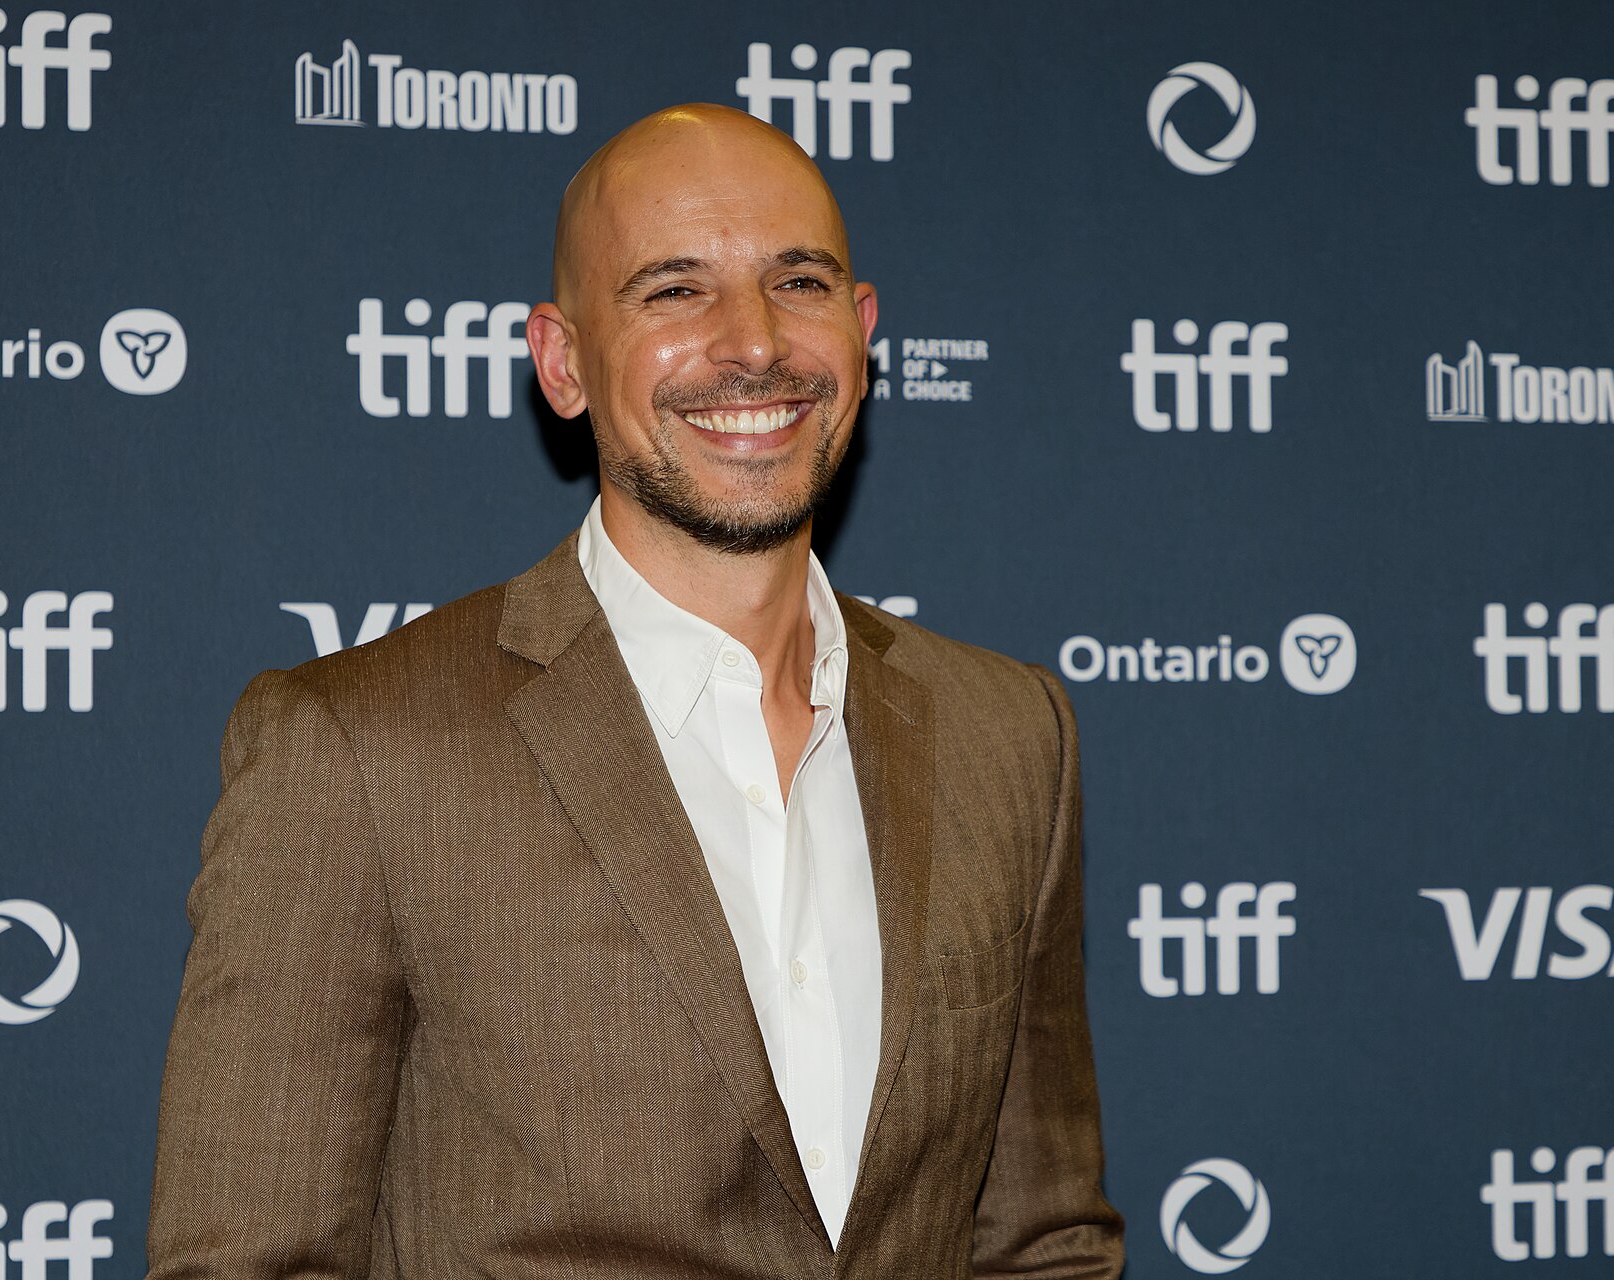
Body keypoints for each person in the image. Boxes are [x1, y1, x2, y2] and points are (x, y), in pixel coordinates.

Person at [146, 103, 1123, 1279]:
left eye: (798, 281)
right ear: (563, 363)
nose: (754, 342)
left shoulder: (1010, 735)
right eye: (674, 291)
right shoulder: (357, 750)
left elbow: (1042, 1236)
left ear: (863, 333)